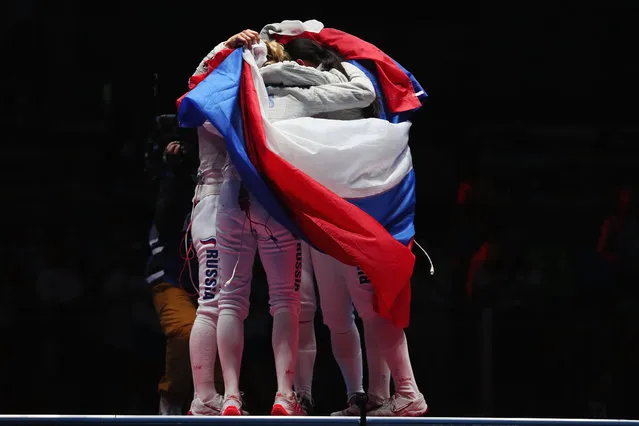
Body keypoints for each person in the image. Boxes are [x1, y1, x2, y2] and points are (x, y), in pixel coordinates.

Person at [209, 31, 379, 416]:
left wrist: (228, 47)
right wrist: (321, 69)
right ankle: (292, 394)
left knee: (230, 302)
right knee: (299, 303)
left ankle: (231, 395)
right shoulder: (302, 90)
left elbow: (197, 81)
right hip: (286, 203)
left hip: (235, 195)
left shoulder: (235, 84)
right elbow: (362, 93)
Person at [274, 37, 428, 417]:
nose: (297, 69)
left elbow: (360, 94)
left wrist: (300, 83)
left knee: (372, 306)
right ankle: (373, 397)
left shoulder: (349, 73)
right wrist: (279, 68)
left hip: (360, 207)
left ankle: (408, 392)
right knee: (333, 313)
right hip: (326, 211)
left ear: (311, 58)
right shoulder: (292, 84)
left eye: (299, 62)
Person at [144, 114, 201, 415]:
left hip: (214, 277)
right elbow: (164, 216)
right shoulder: (169, 180)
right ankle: (172, 397)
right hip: (170, 273)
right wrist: (175, 169)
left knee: (222, 343)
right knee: (186, 332)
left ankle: (214, 404)